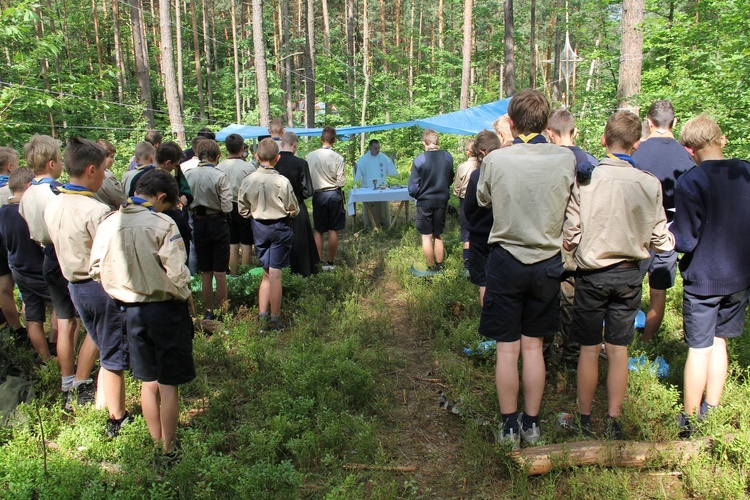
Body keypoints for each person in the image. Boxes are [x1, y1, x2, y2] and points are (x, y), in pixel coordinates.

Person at [559, 111, 674, 439]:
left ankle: (583, 419)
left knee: (589, 349)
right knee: (619, 349)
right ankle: (613, 420)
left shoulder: (587, 180)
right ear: (637, 144)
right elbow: (661, 239)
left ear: (603, 141)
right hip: (628, 277)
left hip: (592, 276)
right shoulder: (649, 183)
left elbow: (570, 234)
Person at [476, 89, 576, 448]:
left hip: (507, 259)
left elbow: (483, 199)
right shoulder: (565, 159)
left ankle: (507, 427)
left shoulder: (497, 160)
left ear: (512, 123)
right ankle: (531, 426)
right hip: (547, 262)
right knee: (533, 347)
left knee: (507, 348)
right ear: (546, 123)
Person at [90, 169, 194, 457]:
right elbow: (176, 273)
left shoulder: (110, 223)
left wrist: (118, 288)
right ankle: (170, 449)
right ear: (161, 197)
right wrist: (186, 296)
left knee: (148, 381)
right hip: (165, 311)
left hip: (130, 312)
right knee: (168, 383)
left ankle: (155, 441)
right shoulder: (163, 224)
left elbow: (96, 266)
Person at [44, 137, 130, 435]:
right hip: (100, 288)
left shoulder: (53, 205)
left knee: (104, 346)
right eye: (104, 171)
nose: (106, 176)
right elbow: (112, 257)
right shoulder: (97, 212)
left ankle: (100, 405)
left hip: (74, 287)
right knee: (114, 354)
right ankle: (117, 419)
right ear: (92, 170)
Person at [671, 114, 750, 436]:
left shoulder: (691, 182)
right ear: (721, 139)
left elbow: (686, 239)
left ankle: (689, 419)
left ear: (690, 150)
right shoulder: (745, 172)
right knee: (720, 342)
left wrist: (669, 232)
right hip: (739, 276)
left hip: (704, 278)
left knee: (699, 347)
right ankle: (712, 408)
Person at [19, 134, 98, 408]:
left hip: (46, 256)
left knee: (65, 322)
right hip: (66, 253)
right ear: (52, 163)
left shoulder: (27, 192)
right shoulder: (55, 193)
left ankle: (67, 379)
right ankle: (81, 378)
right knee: (87, 322)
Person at [632, 100, 694, 344]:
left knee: (628, 288)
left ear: (649, 122)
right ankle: (647, 341)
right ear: (674, 122)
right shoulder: (686, 157)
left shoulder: (638, 153)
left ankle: (621, 341)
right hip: (668, 234)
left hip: (637, 232)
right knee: (658, 292)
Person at [546, 108, 600, 371]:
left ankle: (543, 356)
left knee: (545, 297)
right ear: (574, 131)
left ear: (550, 133)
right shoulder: (591, 161)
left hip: (550, 239)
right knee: (572, 299)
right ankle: (570, 356)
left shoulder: (548, 159)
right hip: (581, 241)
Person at [238, 138, 298, 331]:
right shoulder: (282, 181)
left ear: (257, 156)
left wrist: (255, 214)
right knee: (276, 275)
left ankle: (262, 317)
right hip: (279, 227)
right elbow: (293, 207)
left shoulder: (248, 180)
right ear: (277, 158)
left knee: (266, 273)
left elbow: (242, 209)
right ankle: (275, 319)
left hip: (259, 228)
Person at [0, 168, 52, 359]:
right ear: (29, 187)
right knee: (61, 310)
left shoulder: (3, 212)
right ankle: (55, 345)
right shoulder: (26, 212)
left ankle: (44, 358)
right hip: (39, 269)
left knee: (33, 316)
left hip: (18, 270)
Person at [184, 139, 231, 319]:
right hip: (217, 222)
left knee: (206, 272)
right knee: (220, 272)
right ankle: (223, 311)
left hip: (198, 222)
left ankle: (209, 311)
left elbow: (185, 200)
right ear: (217, 156)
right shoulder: (219, 176)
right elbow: (227, 207)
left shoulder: (189, 174)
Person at [463, 130, 502, 305]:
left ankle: (488, 322)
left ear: (481, 153)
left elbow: (469, 208)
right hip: (503, 234)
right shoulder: (508, 172)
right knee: (501, 280)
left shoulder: (477, 175)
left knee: (484, 282)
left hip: (481, 236)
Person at [408, 129, 454, 272]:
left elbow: (413, 187)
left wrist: (419, 196)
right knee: (438, 234)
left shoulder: (420, 159)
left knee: (426, 236)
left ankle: (431, 267)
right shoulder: (447, 157)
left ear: (424, 142)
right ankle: (440, 265)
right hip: (441, 201)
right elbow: (450, 177)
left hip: (425, 202)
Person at [275, 131, 320, 277]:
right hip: (297, 206)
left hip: (276, 208)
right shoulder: (301, 163)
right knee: (300, 241)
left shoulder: (274, 163)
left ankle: (282, 272)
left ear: (281, 144)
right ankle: (303, 271)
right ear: (295, 145)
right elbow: (308, 190)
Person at [307, 126, 346, 271]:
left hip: (319, 195)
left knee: (318, 230)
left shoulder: (310, 156)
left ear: (321, 139)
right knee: (333, 229)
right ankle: (330, 263)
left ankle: (318, 262)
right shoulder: (338, 157)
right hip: (334, 194)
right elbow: (342, 181)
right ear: (334, 140)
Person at [217, 134, 256, 275]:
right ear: (241, 148)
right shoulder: (249, 167)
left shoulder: (219, 167)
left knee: (232, 244)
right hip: (244, 207)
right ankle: (246, 276)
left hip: (226, 207)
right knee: (246, 244)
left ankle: (233, 276)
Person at [0, 146, 24, 339]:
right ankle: (35, 331)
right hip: (14, 246)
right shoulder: (13, 190)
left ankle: (15, 329)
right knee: (26, 291)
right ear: (10, 167)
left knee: (4, 289)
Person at [156, 141, 192, 264]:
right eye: (174, 165)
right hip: (168, 229)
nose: (175, 168)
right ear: (167, 163)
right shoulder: (156, 179)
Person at [353, 139, 398, 230]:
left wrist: (392, 160)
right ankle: (370, 225)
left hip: (381, 186)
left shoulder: (383, 157)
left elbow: (390, 170)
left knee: (383, 207)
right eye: (375, 148)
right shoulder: (364, 159)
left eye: (378, 148)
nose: (377, 150)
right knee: (370, 207)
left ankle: (385, 224)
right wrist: (355, 167)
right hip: (368, 187)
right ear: (370, 148)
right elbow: (358, 174)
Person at [453, 138, 478, 272]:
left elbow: (457, 187)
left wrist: (457, 193)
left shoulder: (463, 166)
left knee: (467, 233)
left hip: (465, 200)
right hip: (481, 201)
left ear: (468, 152)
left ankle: (467, 264)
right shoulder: (483, 164)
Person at [93, 139, 125, 211]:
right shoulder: (107, 176)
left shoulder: (90, 172)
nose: (113, 160)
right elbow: (119, 200)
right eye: (111, 157)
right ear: (103, 157)